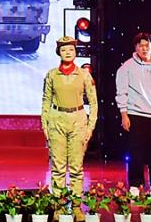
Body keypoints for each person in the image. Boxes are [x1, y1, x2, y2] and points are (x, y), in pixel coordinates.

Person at [115, 32, 151, 194]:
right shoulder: (127, 66)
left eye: (147, 45)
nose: (144, 48)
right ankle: (135, 184)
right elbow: (121, 91)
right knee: (136, 152)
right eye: (141, 45)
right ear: (136, 47)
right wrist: (124, 114)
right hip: (135, 114)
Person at [42, 36, 97, 202]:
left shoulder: (84, 75)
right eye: (64, 49)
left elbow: (93, 103)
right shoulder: (52, 74)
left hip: (78, 120)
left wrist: (90, 127)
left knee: (76, 168)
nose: (68, 52)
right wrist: (45, 125)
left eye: (71, 49)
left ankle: (76, 206)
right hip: (57, 120)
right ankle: (58, 205)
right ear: (59, 52)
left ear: (75, 52)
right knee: (58, 167)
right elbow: (46, 101)